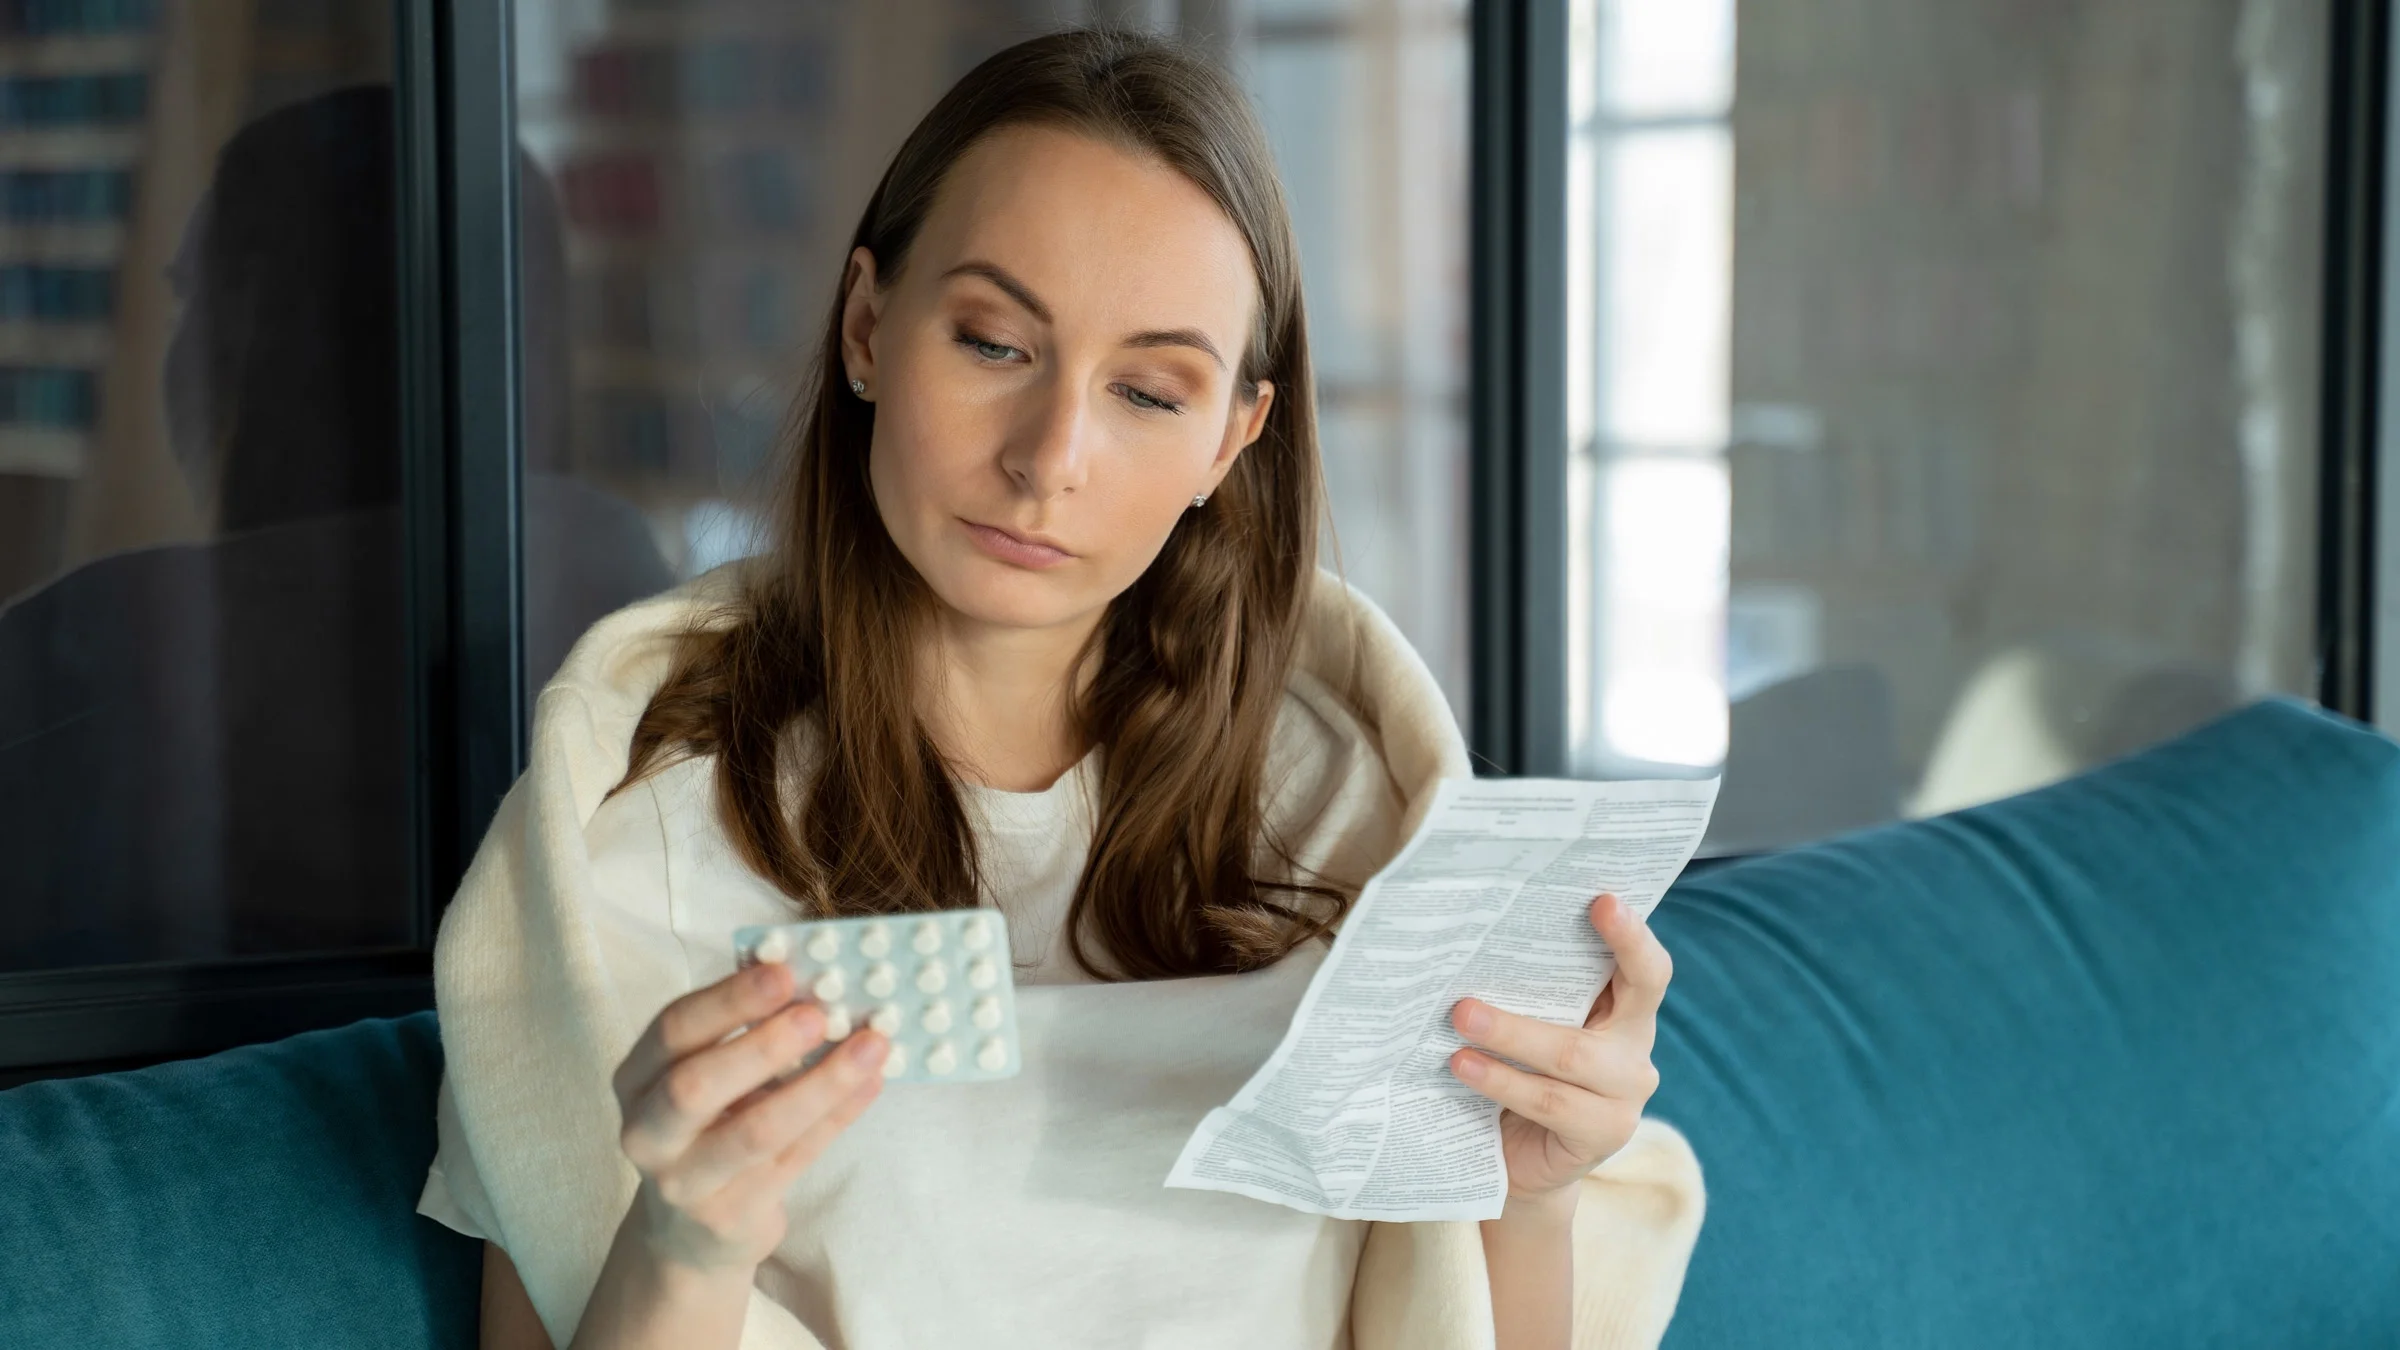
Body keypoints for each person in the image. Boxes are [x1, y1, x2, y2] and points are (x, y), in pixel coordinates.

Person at [425, 29, 1702, 1350]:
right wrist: (683, 1248)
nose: (1052, 458)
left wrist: (1527, 1196)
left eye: (1148, 391)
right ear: (868, 330)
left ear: (1232, 440)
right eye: (992, 343)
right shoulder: (637, 845)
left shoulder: (1349, 816)